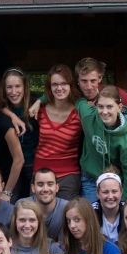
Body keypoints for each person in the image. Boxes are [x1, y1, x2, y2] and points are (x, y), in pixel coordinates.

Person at [30, 64, 84, 200]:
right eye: (54, 84)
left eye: (64, 84)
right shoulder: (39, 111)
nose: (59, 88)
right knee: (35, 212)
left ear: (71, 85)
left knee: (67, 212)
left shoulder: (79, 113)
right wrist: (38, 101)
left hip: (68, 175)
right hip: (40, 174)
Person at [2, 67, 39, 199]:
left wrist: (40, 101)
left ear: (25, 87)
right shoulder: (2, 107)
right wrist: (11, 115)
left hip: (33, 164)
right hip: (12, 166)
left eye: (18, 86)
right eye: (9, 87)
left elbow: (52, 93)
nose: (14, 92)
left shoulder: (35, 104)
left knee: (33, 204)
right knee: (9, 202)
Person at [20, 167, 69, 242]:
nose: (45, 189)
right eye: (40, 185)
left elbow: (65, 244)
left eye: (50, 184)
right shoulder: (22, 206)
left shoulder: (66, 208)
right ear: (33, 188)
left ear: (57, 187)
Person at [92, 171, 126, 242]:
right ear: (97, 194)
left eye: (114, 191)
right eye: (105, 192)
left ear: (121, 192)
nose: (110, 196)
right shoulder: (90, 212)